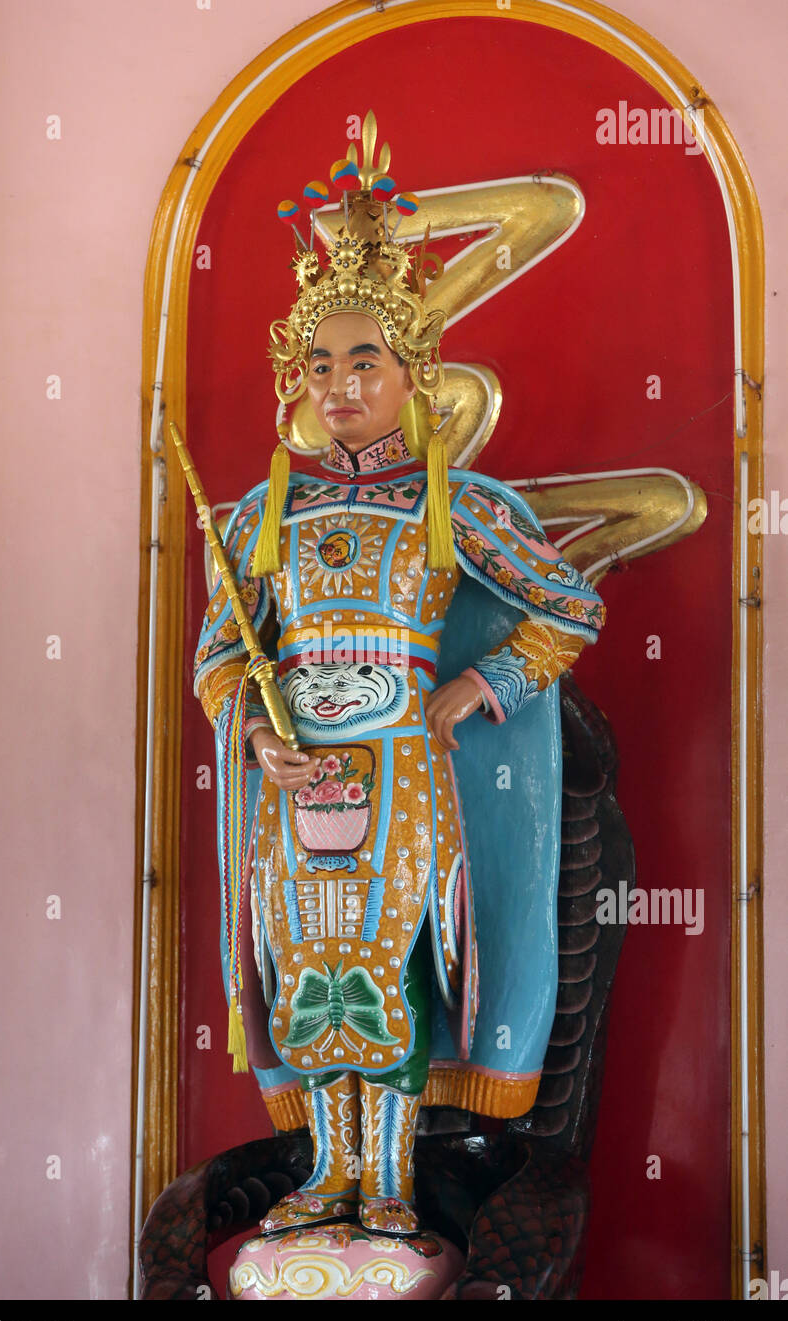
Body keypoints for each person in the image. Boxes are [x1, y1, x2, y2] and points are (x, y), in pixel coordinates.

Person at [193, 114, 605, 1236]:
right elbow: (220, 657)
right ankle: (323, 1176)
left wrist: (479, 691)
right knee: (306, 972)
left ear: (410, 370)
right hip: (295, 778)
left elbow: (571, 607)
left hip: (401, 768)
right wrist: (249, 728)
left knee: (379, 966)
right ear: (296, 377)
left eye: (362, 361)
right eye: (318, 364)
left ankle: (386, 1181)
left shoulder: (453, 507)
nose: (338, 385)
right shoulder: (260, 517)